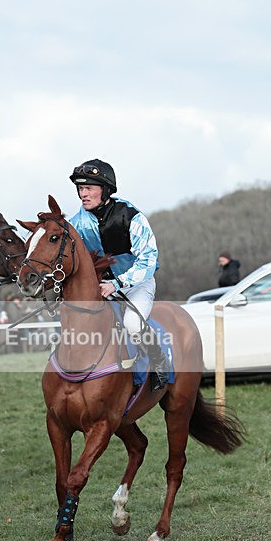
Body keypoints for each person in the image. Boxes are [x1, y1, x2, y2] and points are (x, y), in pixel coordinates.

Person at [68, 158, 169, 390]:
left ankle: (159, 362)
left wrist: (118, 283)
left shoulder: (131, 216)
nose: (83, 194)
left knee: (132, 325)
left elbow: (148, 260)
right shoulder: (76, 224)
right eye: (80, 189)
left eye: (89, 188)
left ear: (105, 190)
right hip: (103, 288)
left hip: (137, 284)